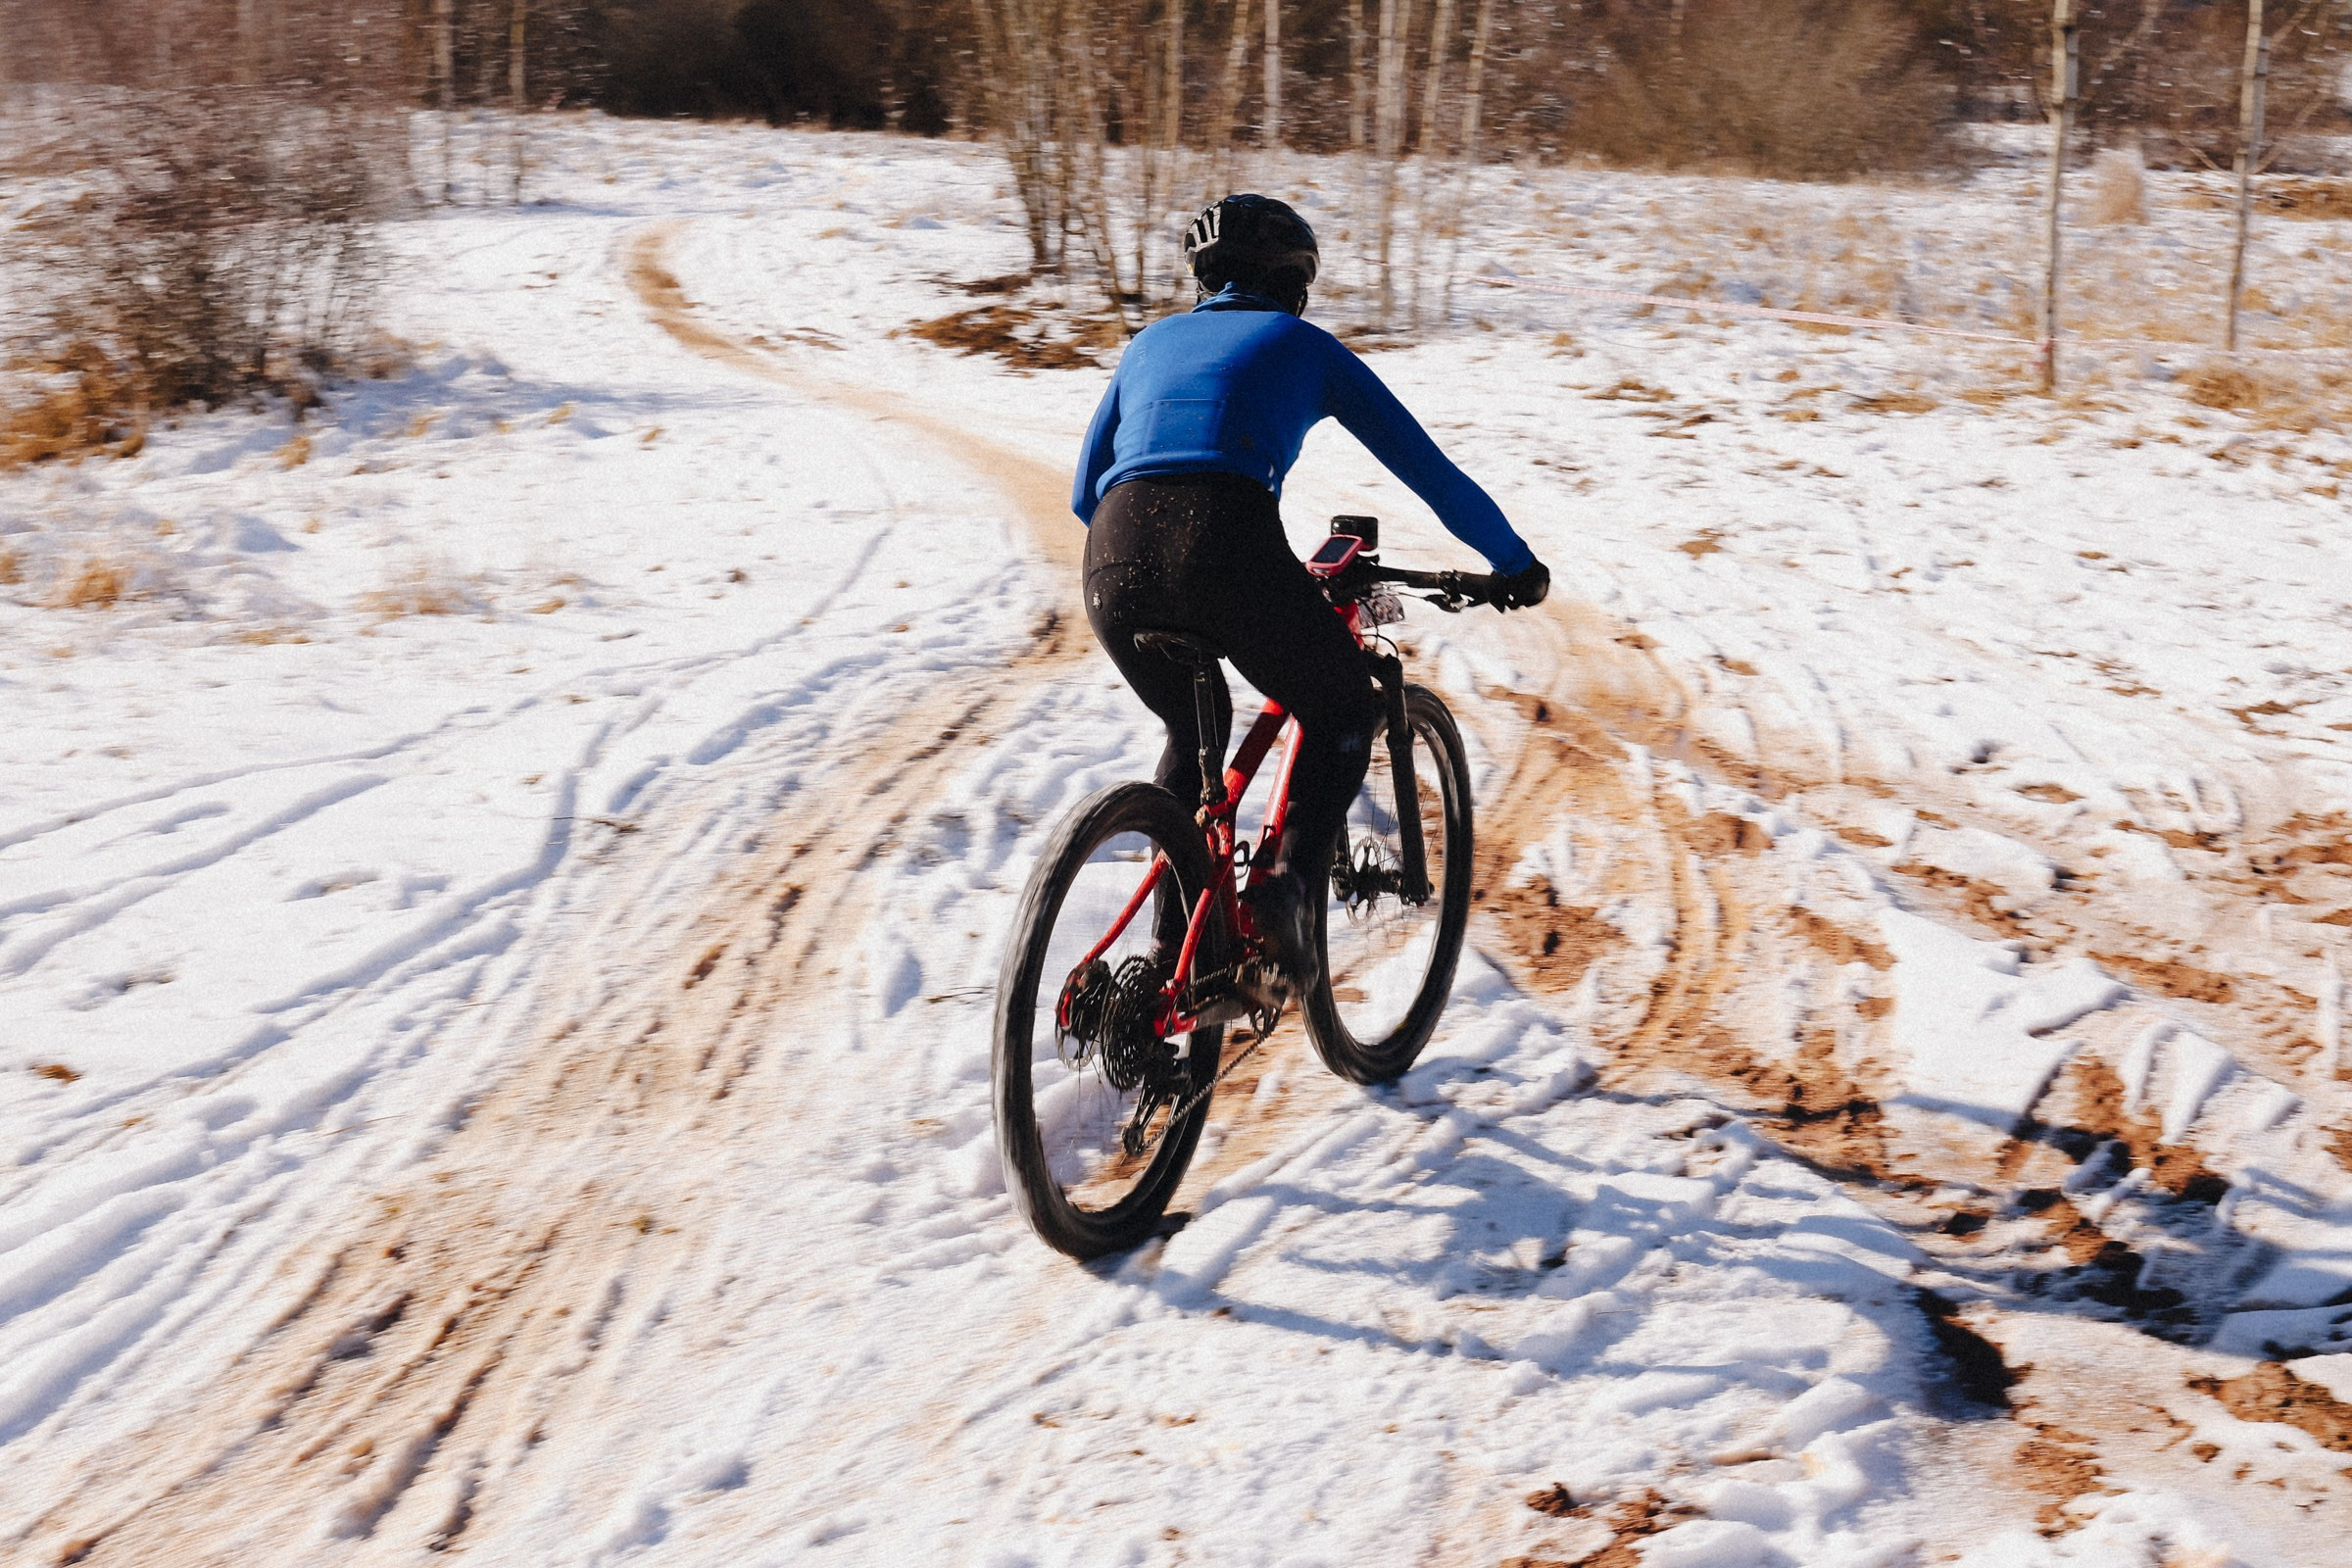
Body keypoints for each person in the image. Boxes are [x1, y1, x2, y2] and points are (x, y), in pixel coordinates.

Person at [1072, 193, 1549, 983]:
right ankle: (1287, 891)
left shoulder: (1146, 346)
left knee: (1193, 735)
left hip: (1112, 558)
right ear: (1294, 281)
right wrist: (1514, 563)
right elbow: (1431, 474)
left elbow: (1088, 490)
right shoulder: (1303, 345)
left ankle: (1166, 959)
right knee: (1340, 710)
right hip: (1225, 540)